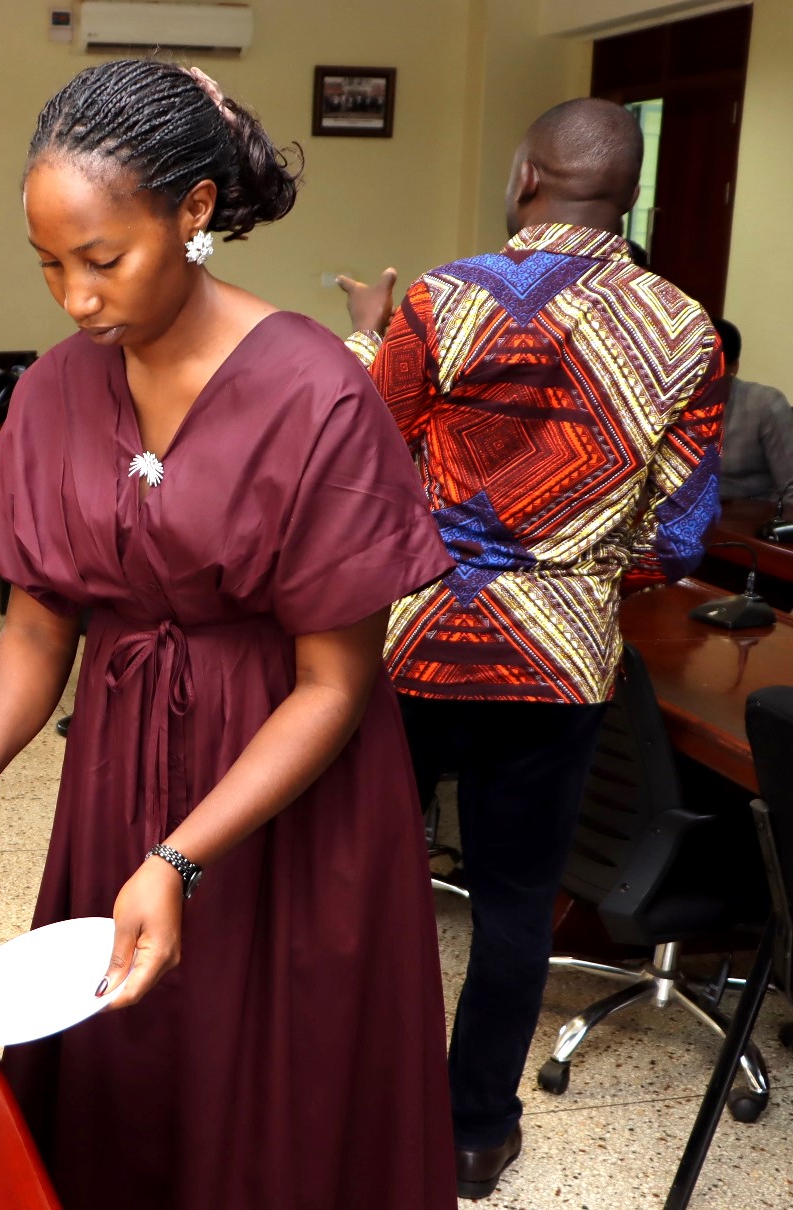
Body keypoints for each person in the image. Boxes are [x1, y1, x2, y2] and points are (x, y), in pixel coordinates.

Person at [0, 59, 457, 1210]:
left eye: (102, 259)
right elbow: (37, 628)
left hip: (286, 789)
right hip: (121, 765)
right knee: (127, 1064)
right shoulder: (55, 391)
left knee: (270, 1078)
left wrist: (180, 855)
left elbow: (334, 685)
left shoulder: (315, 394)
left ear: (193, 212)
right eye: (49, 264)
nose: (75, 298)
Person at [337, 98, 725, 1199]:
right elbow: (680, 537)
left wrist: (369, 332)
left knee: (369, 879)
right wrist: (575, 570)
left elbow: (362, 443)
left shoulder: (443, 298)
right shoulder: (684, 329)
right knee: (515, 902)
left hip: (414, 643)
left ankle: (355, 1098)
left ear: (522, 179)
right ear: (630, 196)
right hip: (558, 665)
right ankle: (474, 1134)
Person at [714, 319, 793, 502]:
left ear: (733, 367)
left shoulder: (765, 405)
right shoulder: (668, 403)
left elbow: (790, 489)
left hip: (750, 513)